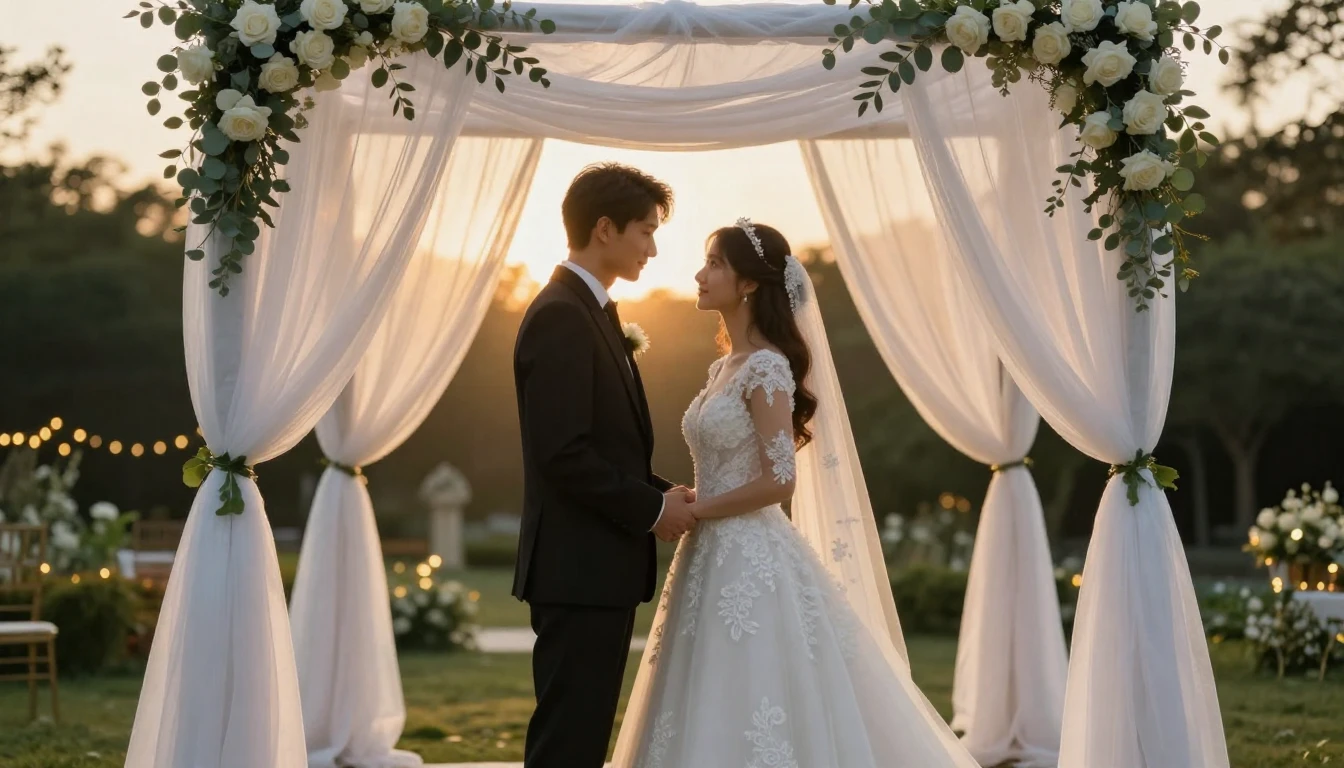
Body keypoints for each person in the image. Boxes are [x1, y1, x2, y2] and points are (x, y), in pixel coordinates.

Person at [608, 219, 982, 768]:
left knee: (753, 686)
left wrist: (697, 510)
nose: (699, 274)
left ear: (750, 283)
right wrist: (692, 497)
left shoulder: (766, 367)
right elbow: (728, 463)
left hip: (748, 556)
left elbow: (779, 480)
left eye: (714, 263)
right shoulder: (723, 367)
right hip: (709, 554)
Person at [511, 163, 697, 768]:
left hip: (595, 567)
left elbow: (606, 446)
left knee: (582, 735)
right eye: (645, 231)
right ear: (605, 229)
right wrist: (650, 510)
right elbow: (562, 453)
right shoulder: (562, 315)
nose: (653, 247)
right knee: (569, 739)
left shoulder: (589, 310)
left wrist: (666, 493)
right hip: (577, 568)